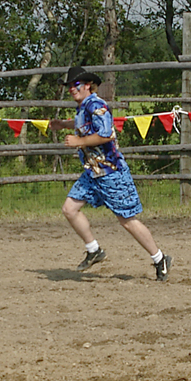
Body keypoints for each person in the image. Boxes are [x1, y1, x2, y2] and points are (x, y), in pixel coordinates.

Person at [50, 66, 172, 281]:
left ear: (88, 85)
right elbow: (83, 124)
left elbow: (106, 134)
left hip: (111, 172)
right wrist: (63, 125)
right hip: (93, 172)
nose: (71, 89)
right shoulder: (83, 107)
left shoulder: (97, 105)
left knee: (127, 220)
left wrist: (78, 141)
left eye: (75, 85)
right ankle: (94, 250)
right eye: (69, 86)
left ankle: (159, 258)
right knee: (70, 209)